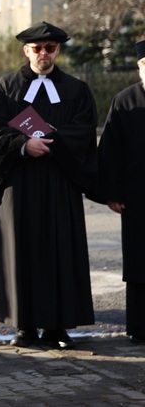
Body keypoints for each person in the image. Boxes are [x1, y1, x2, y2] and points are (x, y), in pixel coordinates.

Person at [0, 21, 97, 350]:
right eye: (37, 48)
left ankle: (58, 326)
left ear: (58, 50)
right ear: (26, 50)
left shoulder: (76, 89)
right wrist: (22, 145)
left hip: (59, 182)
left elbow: (84, 130)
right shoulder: (4, 89)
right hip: (18, 184)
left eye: (50, 48)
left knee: (61, 250)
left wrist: (52, 142)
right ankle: (24, 325)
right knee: (20, 251)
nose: (43, 54)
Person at [97, 38, 145, 344]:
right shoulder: (125, 101)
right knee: (141, 263)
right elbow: (109, 152)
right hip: (137, 197)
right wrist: (111, 193)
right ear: (141, 65)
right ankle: (141, 327)